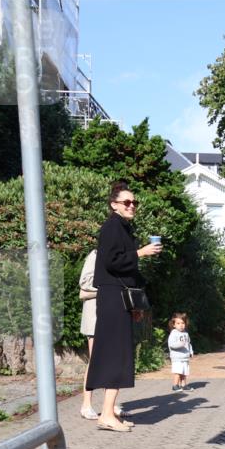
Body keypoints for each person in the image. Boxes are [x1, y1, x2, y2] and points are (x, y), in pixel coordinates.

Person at [84, 180, 162, 432]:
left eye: (133, 202)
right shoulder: (111, 228)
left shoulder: (124, 228)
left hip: (120, 298)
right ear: (114, 205)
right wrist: (140, 253)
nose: (131, 206)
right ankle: (106, 415)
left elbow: (127, 271)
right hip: (112, 298)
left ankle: (108, 413)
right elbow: (110, 262)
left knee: (119, 355)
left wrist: (138, 303)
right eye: (126, 202)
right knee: (116, 355)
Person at [78, 249, 129, 422]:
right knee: (95, 361)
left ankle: (110, 405)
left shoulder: (119, 256)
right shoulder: (96, 254)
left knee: (113, 362)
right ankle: (86, 404)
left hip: (113, 314)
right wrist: (110, 284)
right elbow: (84, 282)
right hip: (95, 315)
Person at [167, 312, 194, 392]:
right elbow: (171, 345)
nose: (181, 325)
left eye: (183, 323)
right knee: (178, 371)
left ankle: (184, 385)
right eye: (178, 323)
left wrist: (191, 351)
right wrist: (180, 344)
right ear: (174, 325)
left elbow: (189, 344)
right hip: (177, 357)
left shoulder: (186, 333)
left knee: (184, 372)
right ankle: (175, 385)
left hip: (185, 357)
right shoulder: (173, 333)